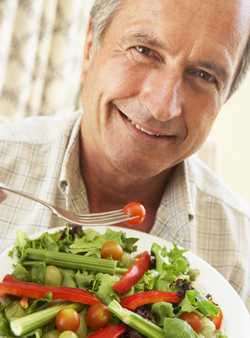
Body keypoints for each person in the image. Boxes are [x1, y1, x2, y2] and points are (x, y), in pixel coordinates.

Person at [0, 0, 250, 310]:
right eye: (144, 51)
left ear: (224, 98)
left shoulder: (241, 254)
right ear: (90, 45)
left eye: (203, 75)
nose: (162, 107)